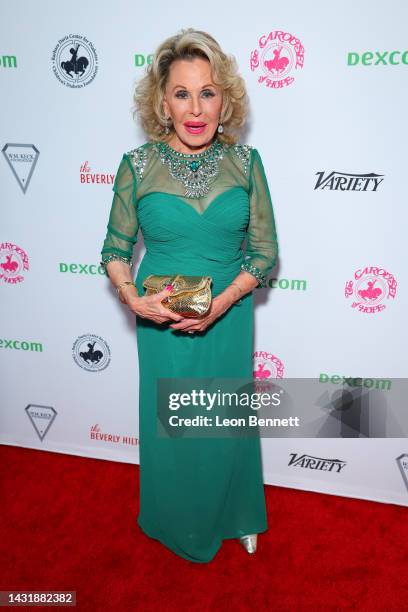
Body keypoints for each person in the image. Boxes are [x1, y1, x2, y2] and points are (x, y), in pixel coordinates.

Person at [100, 28, 279, 563]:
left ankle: (239, 514)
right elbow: (114, 248)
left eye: (207, 92)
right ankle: (172, 517)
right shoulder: (136, 167)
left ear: (226, 99)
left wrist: (222, 304)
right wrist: (133, 300)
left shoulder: (247, 164)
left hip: (229, 313)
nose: (195, 108)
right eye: (182, 93)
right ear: (162, 102)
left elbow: (265, 254)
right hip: (161, 318)